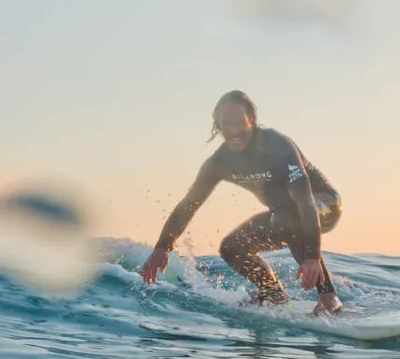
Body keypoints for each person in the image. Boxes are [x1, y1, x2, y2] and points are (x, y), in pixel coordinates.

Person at [138, 90, 345, 316]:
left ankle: (327, 295)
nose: (234, 130)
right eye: (227, 123)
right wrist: (162, 247)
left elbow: (305, 201)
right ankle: (272, 293)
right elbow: (190, 204)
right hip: (284, 216)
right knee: (232, 247)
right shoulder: (219, 162)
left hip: (324, 205)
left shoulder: (277, 146)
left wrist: (312, 257)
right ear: (218, 125)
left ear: (252, 120)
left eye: (239, 122)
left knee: (287, 216)